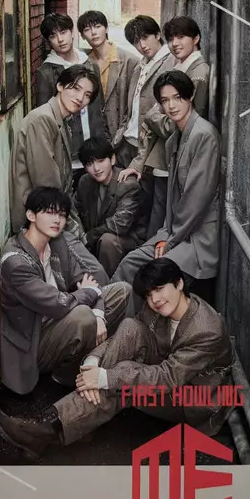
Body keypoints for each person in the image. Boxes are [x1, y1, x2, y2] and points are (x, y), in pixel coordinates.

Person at [0, 258, 235, 460]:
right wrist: (93, 362)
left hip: (191, 399)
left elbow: (167, 378)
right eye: (149, 295)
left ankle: (46, 429)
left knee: (122, 379)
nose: (154, 300)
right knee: (129, 328)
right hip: (165, 366)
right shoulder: (158, 306)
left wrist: (106, 378)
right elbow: (129, 334)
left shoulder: (207, 330)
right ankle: (77, 418)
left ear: (179, 284)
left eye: (160, 289)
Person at [0, 186, 131, 396]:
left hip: (62, 320)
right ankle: (66, 375)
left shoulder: (57, 244)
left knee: (121, 291)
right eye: (50, 212)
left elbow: (88, 282)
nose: (57, 220)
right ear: (31, 215)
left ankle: (91, 360)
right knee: (83, 316)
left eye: (61, 214)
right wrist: (88, 296)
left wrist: (98, 314)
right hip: (35, 340)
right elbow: (58, 303)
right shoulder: (16, 262)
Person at [111, 70, 221, 309]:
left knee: (153, 273)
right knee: (130, 262)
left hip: (196, 239)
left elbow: (195, 200)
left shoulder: (204, 136)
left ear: (190, 96)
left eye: (177, 97)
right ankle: (110, 317)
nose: (171, 105)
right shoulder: (174, 139)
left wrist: (169, 242)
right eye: (165, 100)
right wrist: (164, 236)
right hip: (173, 232)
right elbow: (173, 198)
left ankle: (131, 324)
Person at [10, 64, 109, 285]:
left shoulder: (60, 121)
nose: (80, 98)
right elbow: (47, 185)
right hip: (42, 220)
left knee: (81, 278)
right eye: (75, 88)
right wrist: (73, 227)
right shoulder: (43, 119)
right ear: (60, 86)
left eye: (87, 95)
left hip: (53, 218)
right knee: (97, 276)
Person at [119, 16, 210, 239]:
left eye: (181, 37)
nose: (175, 43)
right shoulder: (180, 66)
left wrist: (152, 116)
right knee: (156, 212)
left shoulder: (197, 74)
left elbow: (183, 126)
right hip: (159, 155)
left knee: (163, 217)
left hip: (174, 157)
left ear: (196, 38)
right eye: (172, 38)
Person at [35, 13, 111, 176]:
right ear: (49, 41)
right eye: (53, 36)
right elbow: (45, 118)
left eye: (63, 32)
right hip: (68, 152)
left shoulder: (90, 65)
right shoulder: (46, 71)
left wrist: (105, 142)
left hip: (95, 148)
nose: (60, 39)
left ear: (72, 32)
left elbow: (99, 108)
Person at [74, 137, 147, 277]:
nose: (96, 168)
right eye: (90, 164)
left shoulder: (127, 184)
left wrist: (89, 236)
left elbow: (120, 225)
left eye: (101, 161)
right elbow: (75, 209)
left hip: (128, 240)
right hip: (97, 237)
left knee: (108, 241)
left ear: (112, 159)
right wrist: (79, 234)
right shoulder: (85, 182)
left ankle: (106, 285)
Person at [77, 10, 139, 142]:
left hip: (123, 135)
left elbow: (135, 105)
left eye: (98, 26)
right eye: (87, 29)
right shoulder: (83, 64)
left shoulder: (130, 61)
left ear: (106, 28)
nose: (93, 32)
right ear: (82, 36)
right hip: (93, 135)